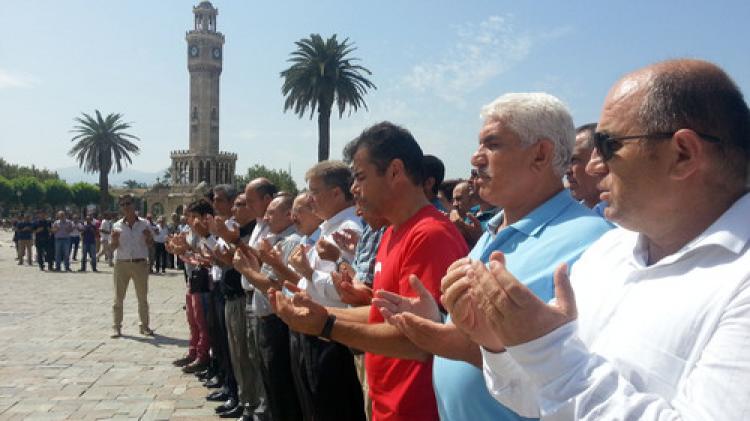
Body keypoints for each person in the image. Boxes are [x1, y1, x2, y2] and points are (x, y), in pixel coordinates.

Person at [443, 59, 750, 420]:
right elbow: (540, 399)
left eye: (609, 144)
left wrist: (545, 348)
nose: (592, 166)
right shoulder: (608, 253)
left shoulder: (740, 282)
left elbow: (559, 375)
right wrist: (497, 344)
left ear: (682, 154)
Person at [373, 93, 613, 421]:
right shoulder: (491, 231)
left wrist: (461, 345)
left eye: (493, 144)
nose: (475, 158)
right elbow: (481, 329)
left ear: (541, 154)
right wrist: (437, 321)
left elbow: (584, 377)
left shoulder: (594, 244)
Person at [271, 122, 468, 421]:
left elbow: (419, 339)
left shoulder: (430, 234)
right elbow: (382, 314)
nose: (354, 189)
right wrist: (319, 312)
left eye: (360, 177)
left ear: (394, 171)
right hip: (386, 403)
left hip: (416, 408)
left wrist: (326, 327)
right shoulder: (391, 233)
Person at [233, 192, 303, 421]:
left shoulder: (290, 241)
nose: (267, 217)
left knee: (280, 384)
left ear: (289, 214)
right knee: (269, 378)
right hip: (267, 317)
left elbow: (275, 285)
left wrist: (246, 270)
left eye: (272, 212)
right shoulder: (276, 238)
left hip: (278, 320)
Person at [110, 194, 154, 338]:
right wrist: (114, 241)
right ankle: (116, 326)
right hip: (122, 263)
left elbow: (150, 244)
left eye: (128, 203)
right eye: (122, 204)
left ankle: (144, 326)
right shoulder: (117, 225)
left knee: (142, 297)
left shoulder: (144, 224)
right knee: (118, 297)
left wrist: (148, 237)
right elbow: (113, 247)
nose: (126, 207)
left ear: (134, 205)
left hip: (140, 263)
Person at [566, 123, 607, 215]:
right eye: (566, 162)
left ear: (600, 159)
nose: (567, 171)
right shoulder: (569, 218)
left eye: (574, 160)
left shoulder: (633, 221)